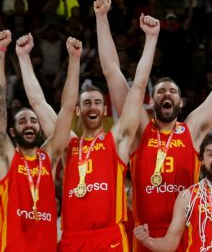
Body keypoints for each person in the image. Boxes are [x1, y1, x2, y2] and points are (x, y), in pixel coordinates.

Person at [94, 0, 212, 251]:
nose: (166, 94)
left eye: (172, 91)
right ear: (151, 101)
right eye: (160, 91)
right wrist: (101, 19)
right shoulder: (140, 128)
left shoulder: (191, 130)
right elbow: (112, 71)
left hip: (188, 235)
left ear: (181, 102)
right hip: (143, 236)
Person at [56, 15, 159, 251]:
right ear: (79, 110)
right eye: (87, 103)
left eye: (97, 102)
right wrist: (74, 60)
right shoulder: (68, 144)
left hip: (109, 237)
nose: (92, 107)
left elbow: (139, 86)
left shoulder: (117, 140)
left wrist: (151, 40)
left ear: (104, 109)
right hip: (72, 238)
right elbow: (56, 106)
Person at [0, 30, 75, 251]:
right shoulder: (7, 158)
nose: (29, 124)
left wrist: (74, 62)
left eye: (33, 120)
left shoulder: (48, 157)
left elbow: (66, 111)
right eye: (22, 121)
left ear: (40, 129)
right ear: (11, 131)